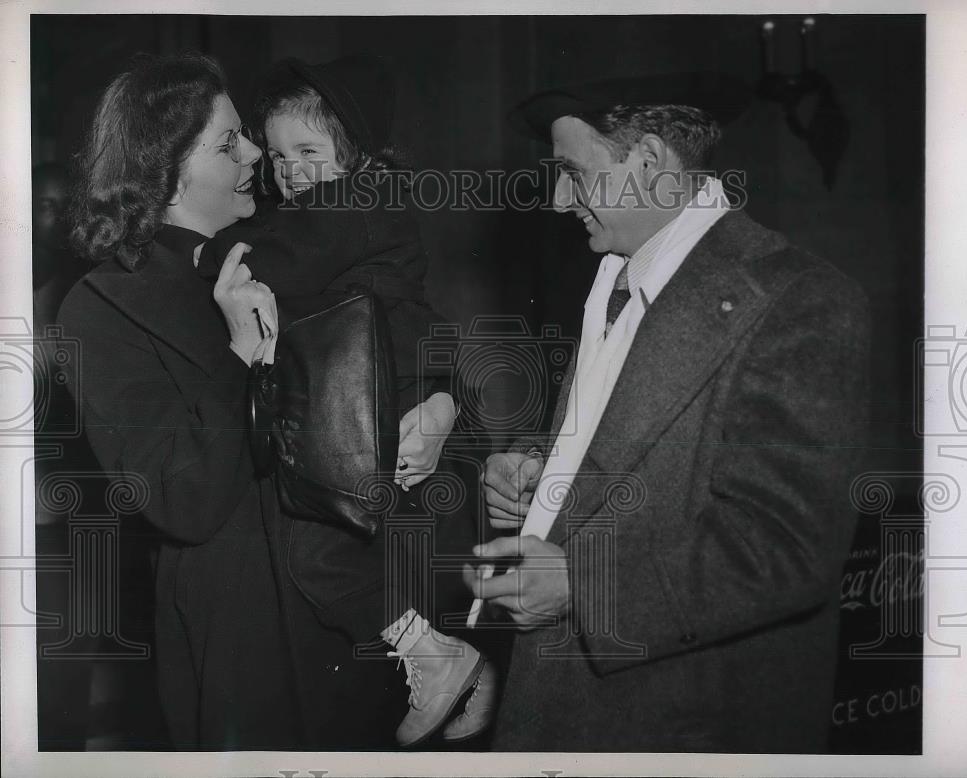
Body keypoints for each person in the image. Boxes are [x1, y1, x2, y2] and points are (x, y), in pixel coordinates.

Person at [467, 74, 871, 752]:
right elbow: (625, 431)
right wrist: (541, 468)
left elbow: (787, 546)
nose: (560, 198)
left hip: (674, 725)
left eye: (573, 173)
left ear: (649, 162)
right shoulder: (617, 273)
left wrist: (583, 583)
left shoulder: (801, 298)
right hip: (569, 699)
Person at [57, 53, 401, 750]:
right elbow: (183, 500)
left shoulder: (294, 242)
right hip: (240, 627)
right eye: (227, 143)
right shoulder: (100, 307)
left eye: (246, 134)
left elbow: (401, 317)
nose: (255, 154)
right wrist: (240, 356)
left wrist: (441, 403)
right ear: (165, 171)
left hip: (355, 601)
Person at [195, 55, 496, 747]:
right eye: (276, 155)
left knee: (321, 554)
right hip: (385, 387)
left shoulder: (353, 202)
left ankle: (437, 656)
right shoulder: (343, 208)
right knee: (359, 547)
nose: (290, 170)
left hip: (387, 389)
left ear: (357, 157)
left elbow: (275, 259)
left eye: (309, 150)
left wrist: (203, 256)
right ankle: (460, 674)